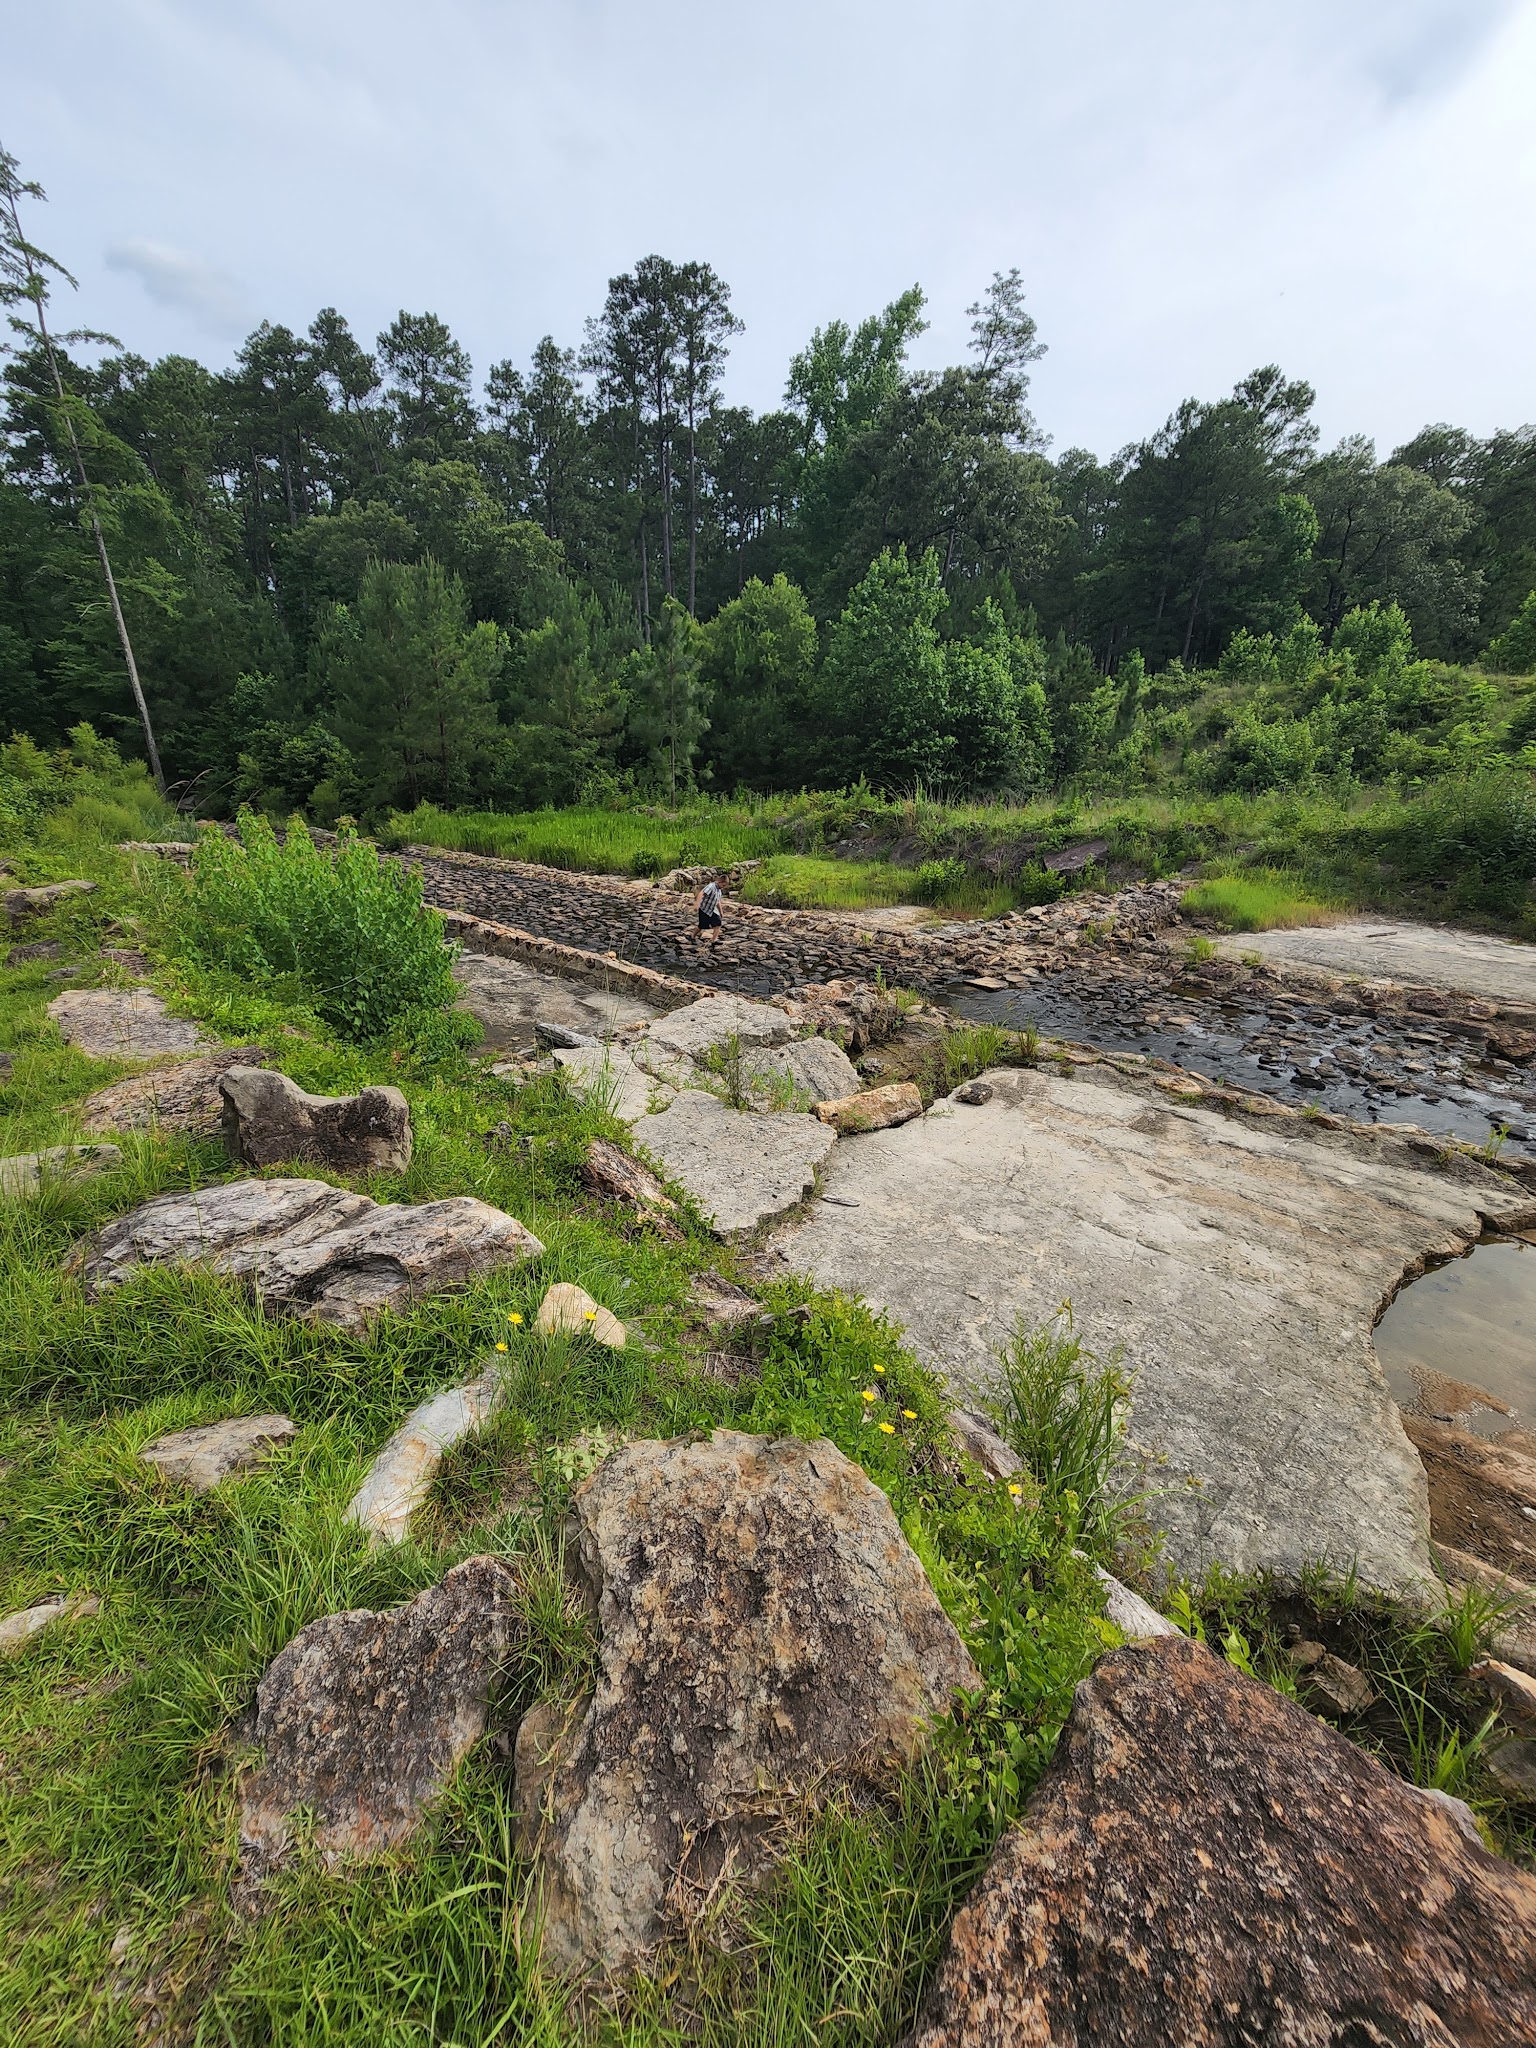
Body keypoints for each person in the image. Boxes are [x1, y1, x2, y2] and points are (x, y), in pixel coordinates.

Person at [696, 874, 725, 946]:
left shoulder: (719, 890)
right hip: (704, 909)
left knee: (718, 923)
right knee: (702, 925)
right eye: (723, 885)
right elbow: (701, 893)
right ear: (719, 882)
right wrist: (697, 904)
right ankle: (692, 936)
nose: (723, 887)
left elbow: (717, 901)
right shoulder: (711, 887)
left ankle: (714, 940)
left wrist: (721, 912)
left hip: (712, 910)